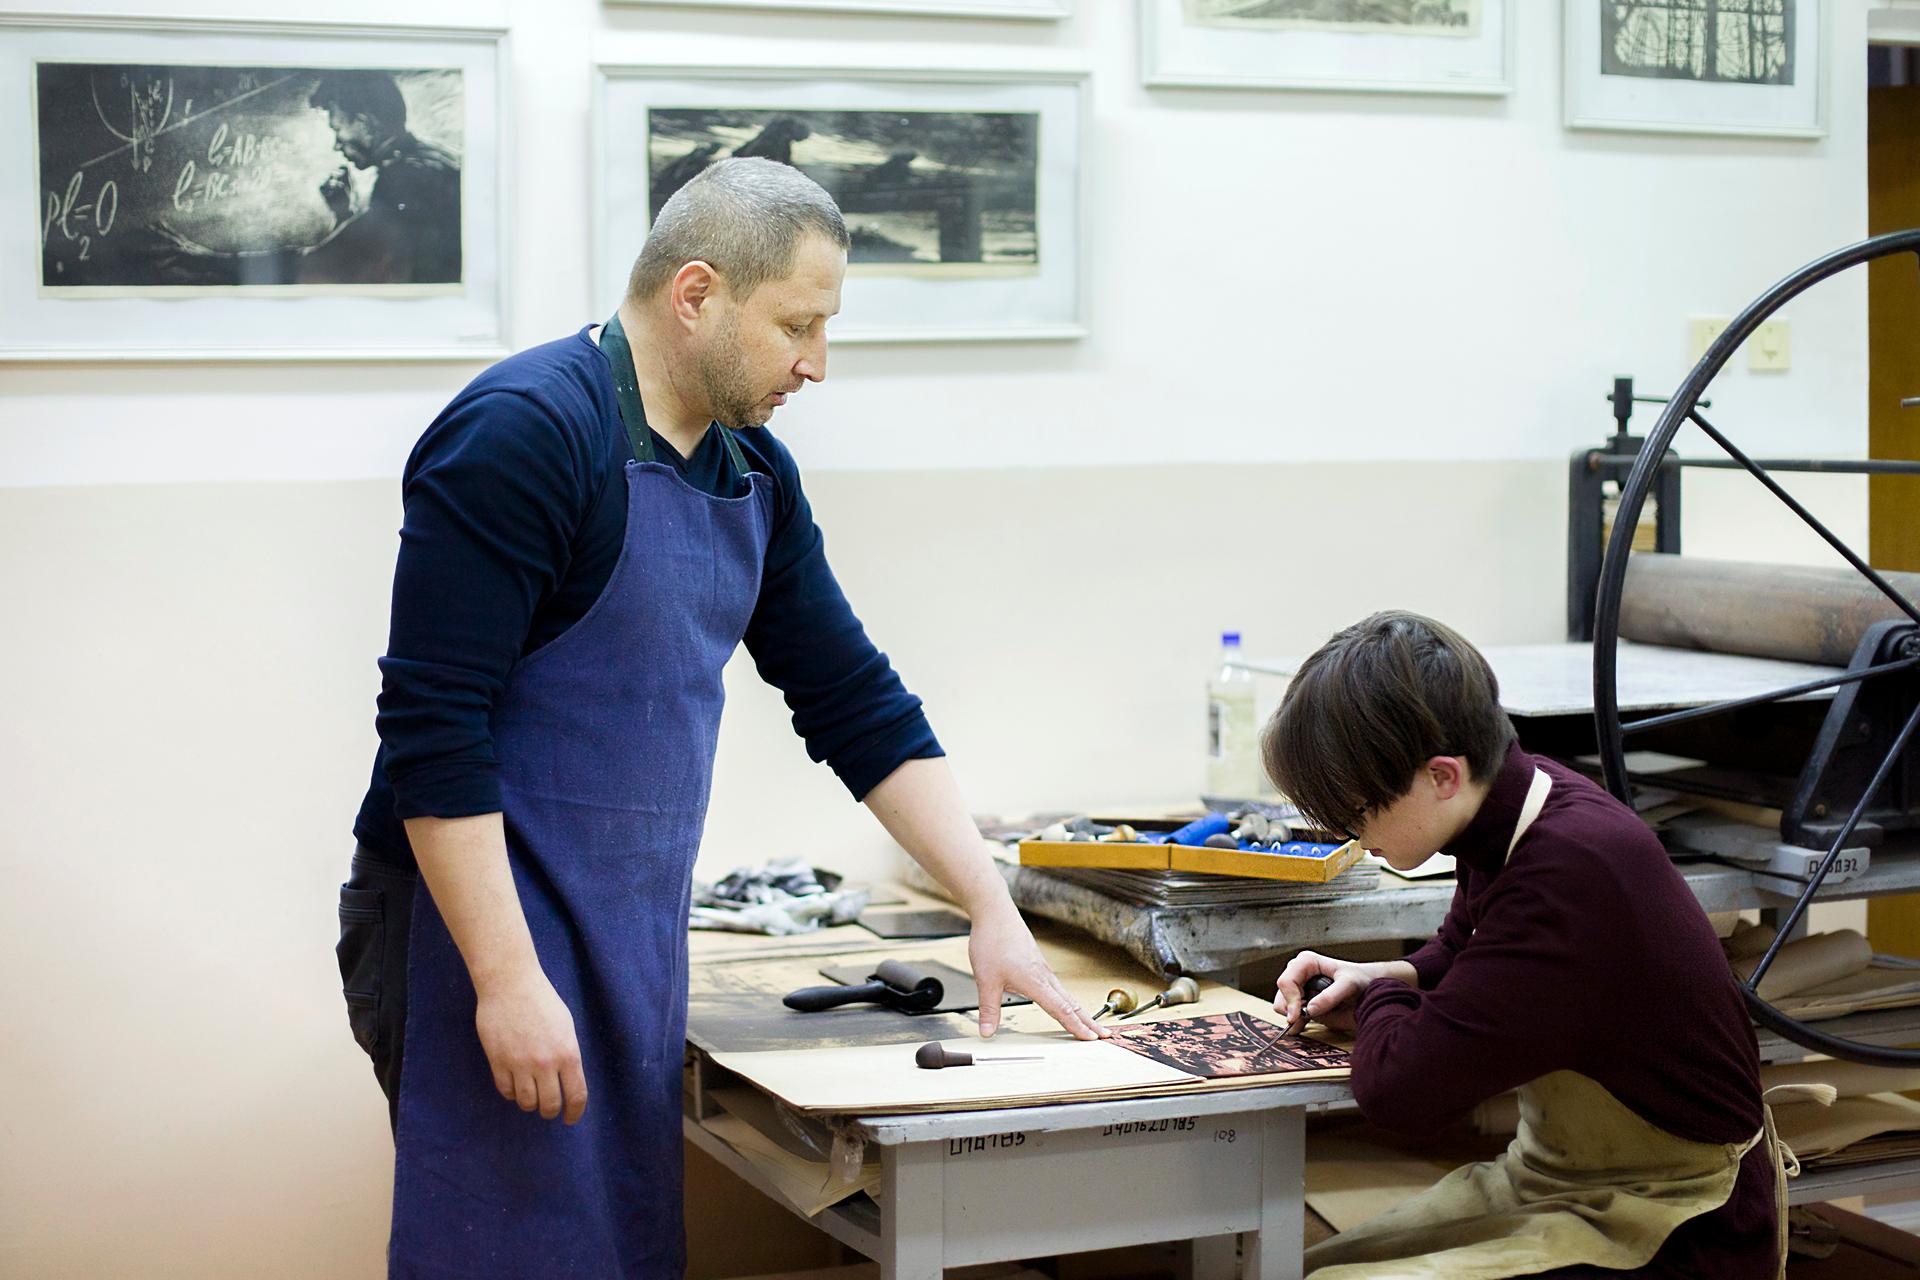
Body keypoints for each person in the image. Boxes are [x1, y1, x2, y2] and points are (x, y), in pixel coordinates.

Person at [335, 157, 1101, 1278]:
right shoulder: (523, 433)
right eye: (797, 324)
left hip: (628, 930)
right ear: (696, 293)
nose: (816, 362)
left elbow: (854, 699)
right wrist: (505, 979)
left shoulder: (754, 473)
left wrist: (991, 905)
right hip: (473, 929)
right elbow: (431, 729)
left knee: (622, 1245)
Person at [1263, 611, 1784, 1279]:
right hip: (1562, 1178)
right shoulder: (1519, 802)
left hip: (1678, 1218)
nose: (1353, 838)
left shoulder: (1565, 873)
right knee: (1296, 1270)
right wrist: (1381, 975)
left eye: (1357, 812)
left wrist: (1382, 996)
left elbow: (1398, 1091)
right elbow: (1462, 948)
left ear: (1443, 776)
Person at [147, 70, 459, 286]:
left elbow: (324, 267)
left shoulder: (408, 178)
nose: (337, 144)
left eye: (337, 129)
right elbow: (381, 255)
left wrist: (199, 259)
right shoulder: (428, 161)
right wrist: (344, 213)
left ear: (365, 124)